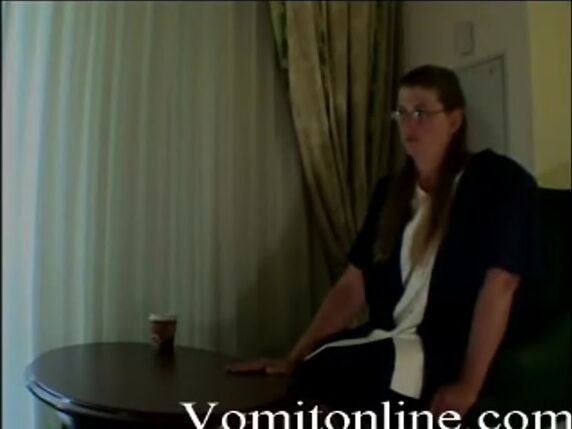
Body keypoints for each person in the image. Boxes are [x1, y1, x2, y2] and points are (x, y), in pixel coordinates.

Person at [227, 64, 539, 425]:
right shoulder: (391, 193)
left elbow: (502, 282)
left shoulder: (498, 181)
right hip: (389, 337)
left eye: (421, 113)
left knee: (341, 371)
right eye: (401, 113)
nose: (408, 125)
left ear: (454, 121)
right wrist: (293, 357)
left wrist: (469, 385)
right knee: (315, 366)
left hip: (443, 345)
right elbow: (353, 284)